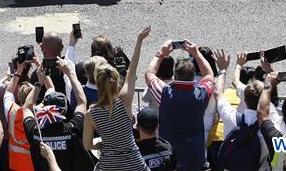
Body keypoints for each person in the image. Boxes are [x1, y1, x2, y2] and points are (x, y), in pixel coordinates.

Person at [83, 27, 150, 171]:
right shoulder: (124, 101)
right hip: (135, 164)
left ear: (97, 83)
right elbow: (132, 71)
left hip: (108, 165)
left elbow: (87, 145)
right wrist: (139, 40)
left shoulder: (91, 114)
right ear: (117, 80)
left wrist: (102, 144)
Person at [145, 38, 215, 171]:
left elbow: (149, 74)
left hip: (170, 158)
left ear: (174, 75)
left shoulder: (164, 93)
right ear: (193, 76)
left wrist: (161, 53)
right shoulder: (201, 94)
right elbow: (209, 74)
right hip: (195, 159)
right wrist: (196, 53)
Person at [22, 59, 92, 171]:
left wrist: (39, 82)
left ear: (45, 107)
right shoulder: (72, 130)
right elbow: (82, 102)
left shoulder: (36, 133)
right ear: (64, 111)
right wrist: (70, 74)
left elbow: (26, 107)